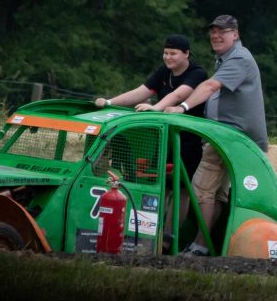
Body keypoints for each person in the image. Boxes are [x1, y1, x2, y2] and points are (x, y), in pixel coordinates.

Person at [163, 14, 268, 256]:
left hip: (229, 136)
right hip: (233, 136)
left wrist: (182, 108)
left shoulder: (239, 58)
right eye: (213, 31)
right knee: (217, 193)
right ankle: (203, 244)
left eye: (223, 31)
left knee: (200, 189)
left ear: (236, 34)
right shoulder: (227, 58)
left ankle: (199, 247)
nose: (217, 35)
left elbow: (211, 86)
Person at [94, 34, 208, 179]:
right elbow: (141, 92)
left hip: (188, 138)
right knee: (159, 180)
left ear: (186, 54)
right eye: (165, 53)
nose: (168, 57)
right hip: (165, 136)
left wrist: (156, 107)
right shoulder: (163, 72)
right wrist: (109, 102)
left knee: (182, 184)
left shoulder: (198, 73)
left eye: (173, 53)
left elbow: (178, 95)